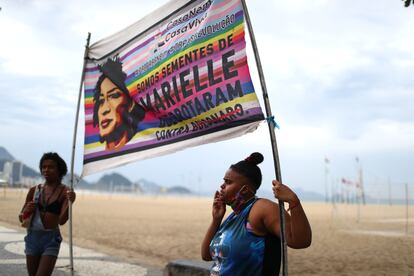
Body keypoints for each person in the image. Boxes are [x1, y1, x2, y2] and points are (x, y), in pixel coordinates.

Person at [201, 152, 312, 276]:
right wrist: (216, 219)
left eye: (228, 182)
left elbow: (301, 241)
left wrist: (293, 201)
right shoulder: (232, 217)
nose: (222, 186)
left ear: (245, 190)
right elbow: (206, 255)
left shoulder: (260, 208)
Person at [18, 152, 76, 276]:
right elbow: (21, 218)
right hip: (32, 238)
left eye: (51, 167)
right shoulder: (34, 190)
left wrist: (71, 201)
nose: (46, 170)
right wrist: (27, 209)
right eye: (44, 167)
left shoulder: (65, 192)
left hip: (51, 239)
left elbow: (62, 220)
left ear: (59, 169)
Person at [93, 57, 145, 150]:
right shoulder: (95, 155)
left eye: (114, 95)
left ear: (130, 104)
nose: (104, 110)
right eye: (101, 101)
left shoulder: (138, 147)